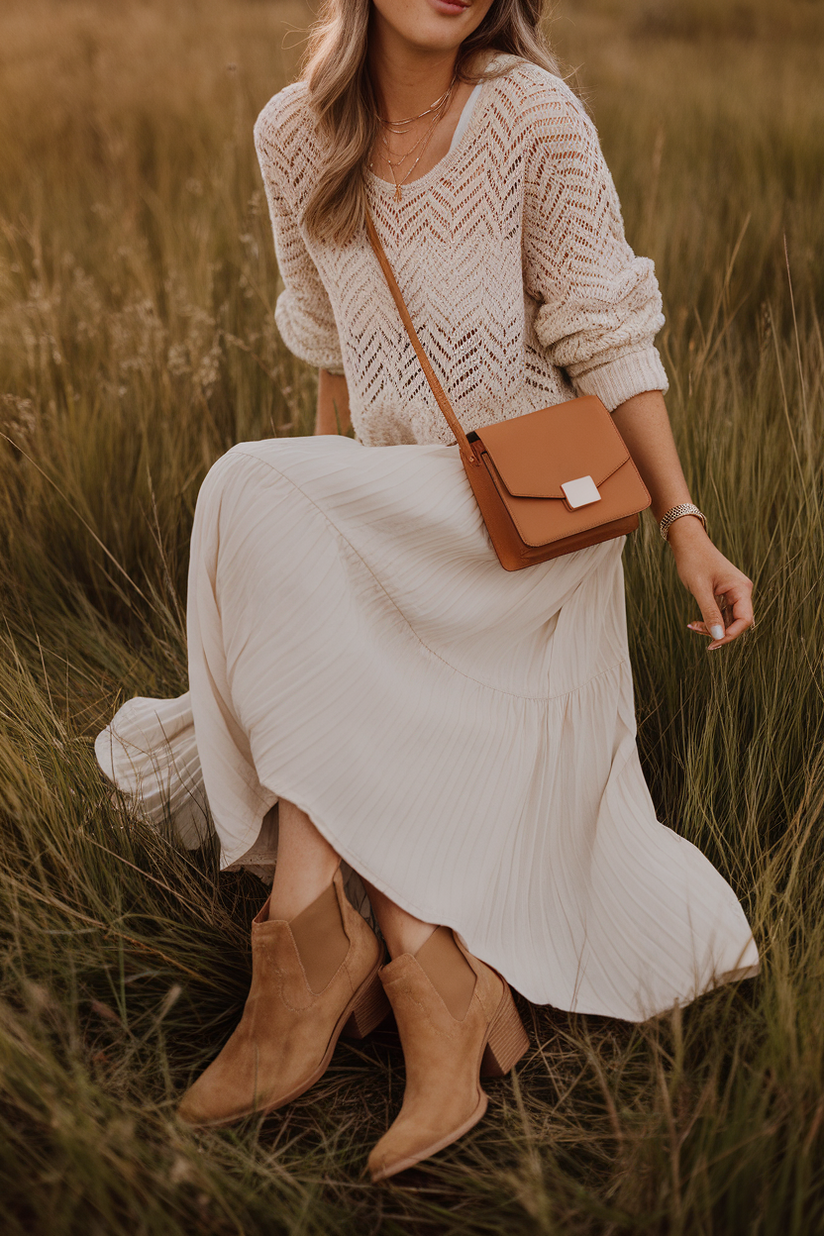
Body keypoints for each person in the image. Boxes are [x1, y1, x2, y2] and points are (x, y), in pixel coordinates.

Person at [96, 0, 759, 1182]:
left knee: (247, 487)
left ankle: (312, 953)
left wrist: (682, 525)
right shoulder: (289, 136)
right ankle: (421, 968)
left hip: (531, 533)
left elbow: (608, 336)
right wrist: (322, 529)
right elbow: (335, 370)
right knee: (264, 497)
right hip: (404, 504)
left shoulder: (530, 116)